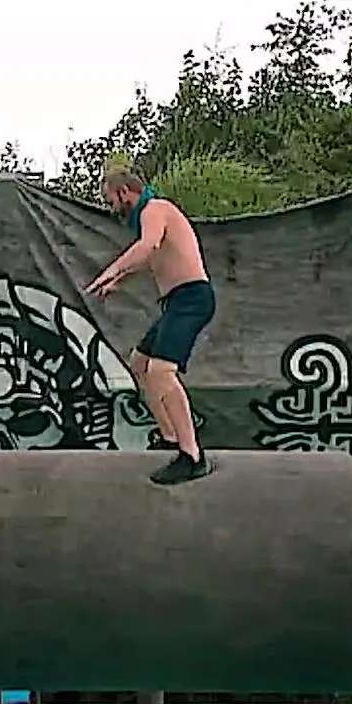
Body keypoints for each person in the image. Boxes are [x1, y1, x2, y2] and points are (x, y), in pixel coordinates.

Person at [85, 169, 216, 485]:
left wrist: (111, 269)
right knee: (139, 363)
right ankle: (170, 437)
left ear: (125, 192)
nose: (113, 209)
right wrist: (118, 280)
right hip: (176, 302)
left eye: (112, 201)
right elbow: (150, 258)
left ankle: (192, 456)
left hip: (192, 299)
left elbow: (147, 246)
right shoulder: (150, 217)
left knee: (161, 371)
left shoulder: (155, 208)